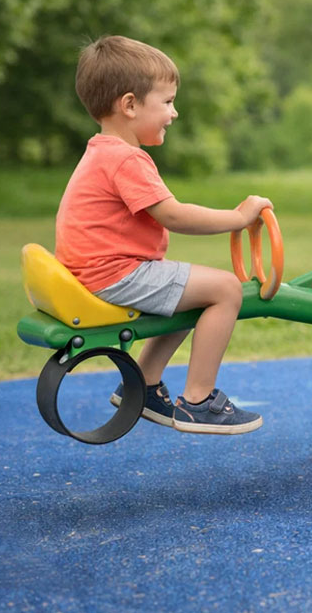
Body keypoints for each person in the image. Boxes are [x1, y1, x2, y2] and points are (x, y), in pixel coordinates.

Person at [55, 35, 270, 434]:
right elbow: (174, 215)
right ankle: (199, 401)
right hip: (113, 274)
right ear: (130, 105)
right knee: (225, 289)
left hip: (97, 271)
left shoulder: (102, 150)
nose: (174, 113)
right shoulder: (126, 159)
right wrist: (238, 217)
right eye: (168, 102)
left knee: (192, 290)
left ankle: (143, 385)